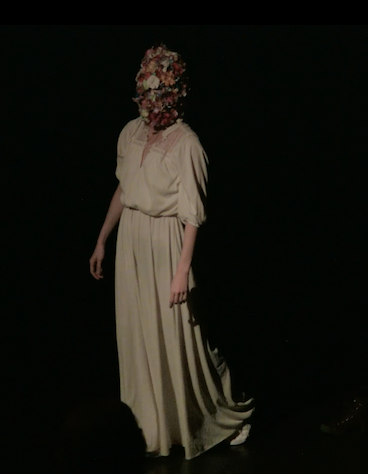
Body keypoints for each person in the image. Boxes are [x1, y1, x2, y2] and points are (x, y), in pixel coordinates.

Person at [88, 44, 254, 461]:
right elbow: (124, 190)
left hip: (165, 242)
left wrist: (183, 270)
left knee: (179, 335)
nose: (151, 98)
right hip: (131, 242)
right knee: (137, 331)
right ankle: (148, 424)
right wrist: (102, 239)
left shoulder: (188, 144)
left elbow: (193, 215)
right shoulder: (130, 132)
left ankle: (215, 416)